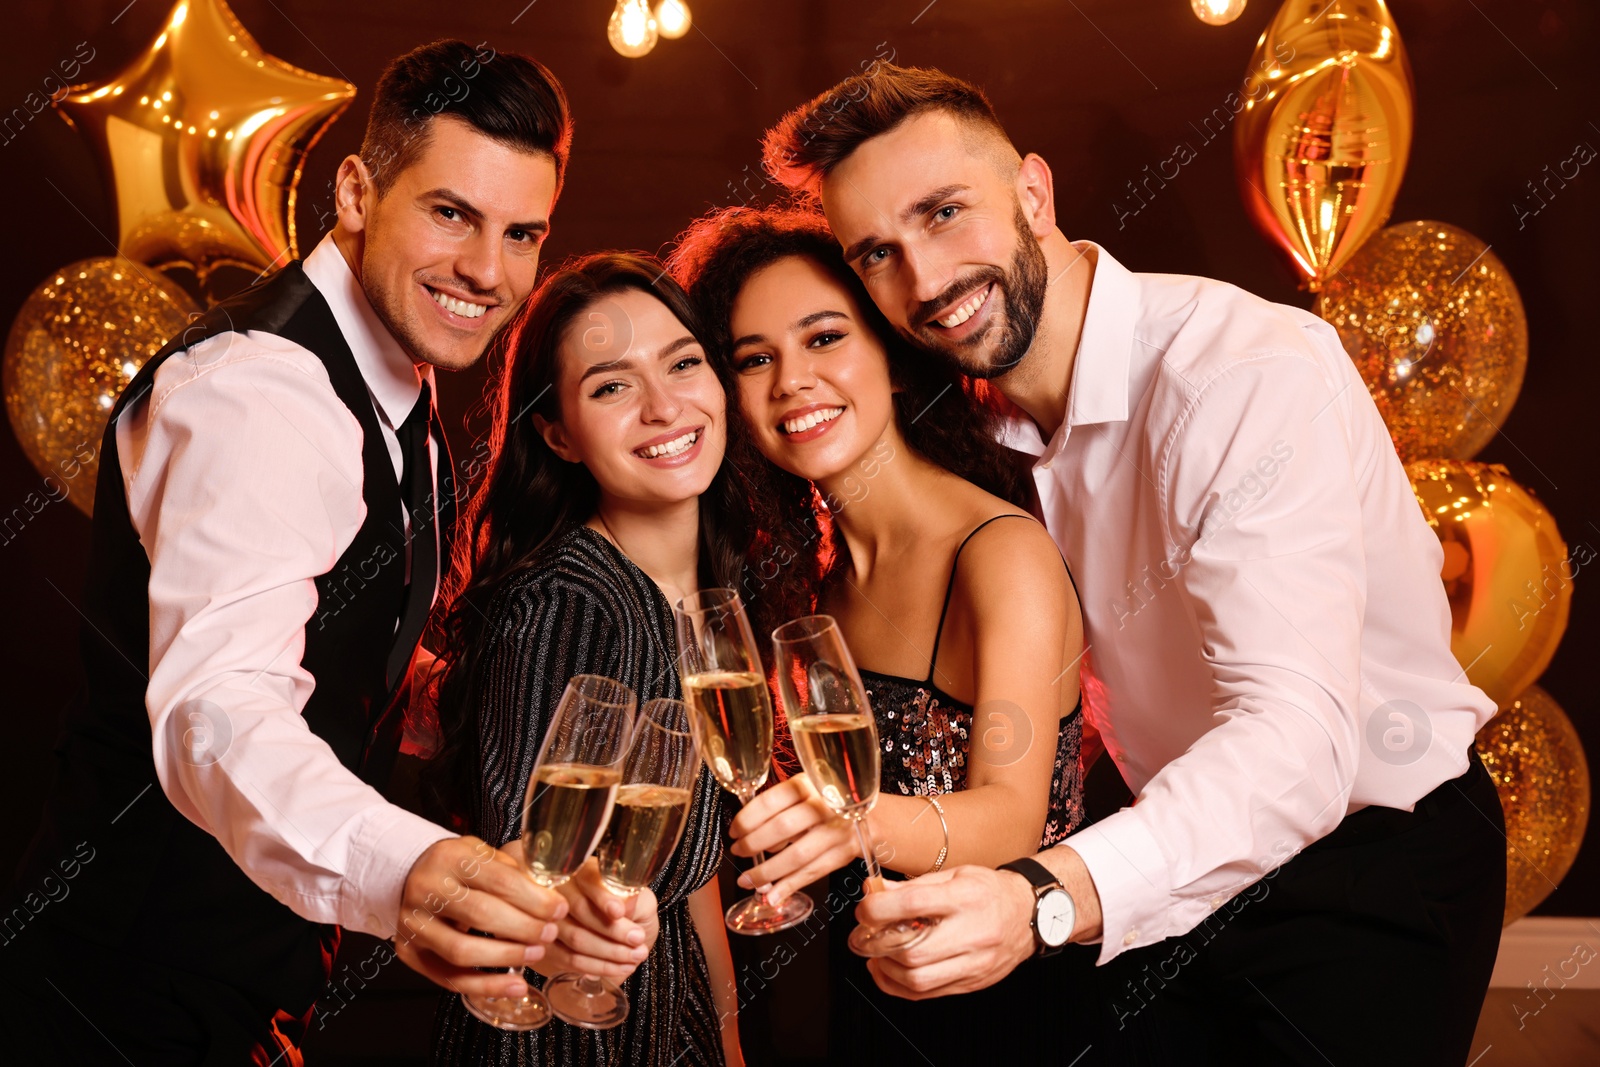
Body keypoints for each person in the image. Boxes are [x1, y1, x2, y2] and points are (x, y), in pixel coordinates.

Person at [758, 65, 1506, 1065]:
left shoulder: (1241, 373)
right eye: (879, 253)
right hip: (1168, 853)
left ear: (1032, 192)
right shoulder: (965, 412)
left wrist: (1039, 898)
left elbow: (1295, 740)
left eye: (945, 213)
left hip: (1368, 867)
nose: (925, 281)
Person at [0, 40, 576, 1063]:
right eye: (451, 213)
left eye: (521, 231)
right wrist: (413, 869)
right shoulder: (256, 395)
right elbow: (217, 709)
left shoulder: (398, 368)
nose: (487, 271)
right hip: (116, 999)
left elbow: (338, 644)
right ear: (356, 190)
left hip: (246, 998)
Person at [669, 204, 1091, 1063]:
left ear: (895, 360)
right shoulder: (804, 579)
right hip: (867, 1008)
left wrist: (851, 825)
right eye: (755, 358)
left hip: (1009, 1013)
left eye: (824, 338)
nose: (791, 381)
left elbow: (1013, 820)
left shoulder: (998, 550)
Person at [427, 253, 744, 1066]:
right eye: (612, 386)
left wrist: (731, 1043)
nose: (664, 405)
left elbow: (693, 881)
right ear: (559, 433)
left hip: (674, 1028)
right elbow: (533, 885)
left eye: (682, 363)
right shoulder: (573, 602)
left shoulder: (702, 599)